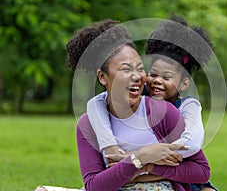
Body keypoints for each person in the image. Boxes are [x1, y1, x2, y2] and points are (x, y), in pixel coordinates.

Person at [35, 19, 211, 191]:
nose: (136, 76)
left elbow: (201, 170)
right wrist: (139, 158)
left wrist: (147, 167)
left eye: (140, 68)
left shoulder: (163, 110)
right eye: (126, 69)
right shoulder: (89, 122)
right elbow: (94, 185)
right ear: (103, 77)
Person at [87, 17, 218, 191]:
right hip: (142, 171)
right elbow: (96, 102)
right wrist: (111, 147)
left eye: (166, 77)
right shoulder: (140, 97)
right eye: (153, 74)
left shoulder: (188, 106)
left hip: (183, 170)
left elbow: (192, 144)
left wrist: (148, 157)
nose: (157, 81)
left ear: (184, 84)